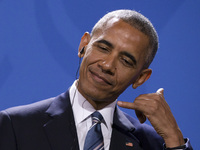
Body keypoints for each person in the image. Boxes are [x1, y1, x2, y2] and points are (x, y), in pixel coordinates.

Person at [0, 9, 192, 150]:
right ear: (84, 45)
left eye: (125, 60)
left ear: (141, 77)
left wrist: (174, 138)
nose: (107, 65)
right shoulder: (15, 125)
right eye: (103, 48)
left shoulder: (153, 144)